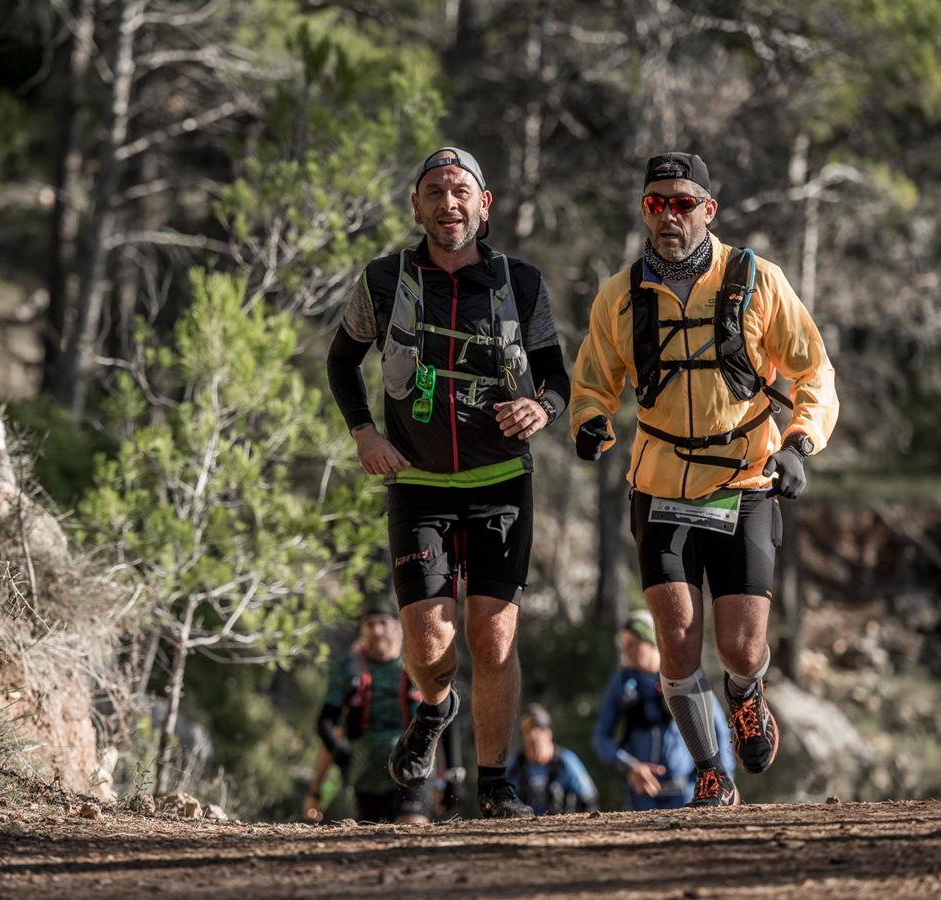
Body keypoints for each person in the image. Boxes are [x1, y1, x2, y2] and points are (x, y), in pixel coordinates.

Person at [570, 152, 838, 806]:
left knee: (740, 645)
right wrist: (589, 420)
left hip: (744, 482)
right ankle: (712, 770)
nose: (669, 214)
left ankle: (746, 694)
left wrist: (800, 444)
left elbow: (815, 375)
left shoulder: (757, 280)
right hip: (659, 487)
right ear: (644, 210)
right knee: (677, 646)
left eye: (682, 202)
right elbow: (592, 382)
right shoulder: (621, 295)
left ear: (708, 210)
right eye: (656, 202)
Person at [326, 147, 570, 818]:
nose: (447, 202)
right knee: (430, 647)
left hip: (500, 483)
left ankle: (494, 785)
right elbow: (342, 362)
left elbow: (556, 376)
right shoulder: (385, 280)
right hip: (420, 483)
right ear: (417, 207)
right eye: (434, 191)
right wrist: (364, 433)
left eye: (460, 189)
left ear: (483, 204)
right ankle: (436, 709)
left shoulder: (519, 282)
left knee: (492, 639)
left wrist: (541, 408)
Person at [309, 594, 462, 823]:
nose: (377, 631)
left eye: (383, 623)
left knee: (412, 827)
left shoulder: (419, 664)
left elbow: (444, 719)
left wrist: (451, 775)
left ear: (398, 626)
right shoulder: (347, 669)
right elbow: (326, 723)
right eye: (370, 624)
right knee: (371, 838)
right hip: (365, 774)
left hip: (413, 767)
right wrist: (331, 767)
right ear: (362, 629)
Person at [592, 610, 734, 809]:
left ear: (652, 642)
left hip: (687, 792)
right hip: (641, 795)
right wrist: (629, 766)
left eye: (633, 644)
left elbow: (719, 728)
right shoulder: (621, 683)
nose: (627, 652)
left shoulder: (682, 678)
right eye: (623, 646)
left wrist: (726, 778)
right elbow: (601, 736)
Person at [507, 703, 600, 816]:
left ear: (549, 733)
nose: (534, 736)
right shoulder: (514, 766)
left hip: (562, 829)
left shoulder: (566, 761)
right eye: (528, 731)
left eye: (540, 729)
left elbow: (590, 798)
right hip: (520, 831)